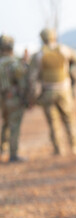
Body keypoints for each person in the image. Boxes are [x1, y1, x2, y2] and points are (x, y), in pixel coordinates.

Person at [28, 28, 76, 156]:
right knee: (69, 119)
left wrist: (33, 96)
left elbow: (32, 78)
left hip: (48, 91)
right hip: (64, 90)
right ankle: (75, 147)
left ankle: (59, 150)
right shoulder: (64, 50)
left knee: (53, 122)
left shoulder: (38, 55)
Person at [0, 34, 28, 162]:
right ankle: (13, 154)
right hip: (13, 99)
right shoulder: (15, 64)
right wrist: (25, 98)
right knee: (14, 126)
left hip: (2, 100)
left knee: (5, 124)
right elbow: (22, 83)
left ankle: (2, 150)